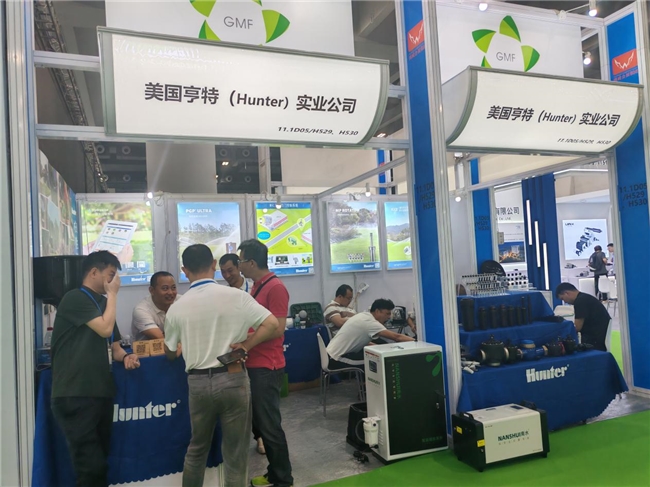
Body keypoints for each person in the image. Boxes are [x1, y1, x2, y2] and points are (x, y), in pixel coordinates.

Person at [163, 244, 280, 487]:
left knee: (197, 449)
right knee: (235, 454)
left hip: (197, 383)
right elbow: (271, 324)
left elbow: (170, 352)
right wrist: (246, 345)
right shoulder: (237, 297)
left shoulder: (176, 308)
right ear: (214, 265)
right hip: (233, 378)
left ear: (184, 270)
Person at [50, 251, 141, 487]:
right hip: (76, 393)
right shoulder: (75, 298)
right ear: (93, 272)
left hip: (100, 392)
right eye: (110, 275)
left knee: (100, 462)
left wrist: (126, 357)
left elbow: (114, 345)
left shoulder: (104, 304)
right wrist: (113, 295)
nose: (114, 281)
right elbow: (104, 328)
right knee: (90, 467)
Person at [238, 239, 293, 487]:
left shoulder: (275, 287)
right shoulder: (257, 286)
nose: (239, 266)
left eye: (240, 261)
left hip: (267, 366)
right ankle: (274, 472)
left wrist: (247, 343)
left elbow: (278, 328)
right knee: (262, 423)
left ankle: (283, 479)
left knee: (270, 425)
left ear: (251, 262)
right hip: (255, 363)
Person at [219, 252, 264, 455]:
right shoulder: (223, 294)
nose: (227, 275)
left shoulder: (254, 288)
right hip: (235, 351)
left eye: (230, 270)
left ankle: (260, 436)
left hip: (256, 348)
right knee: (239, 398)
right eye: (223, 272)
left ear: (239, 267)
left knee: (257, 398)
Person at [326, 298, 415, 371]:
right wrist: (416, 341)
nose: (389, 317)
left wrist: (379, 347)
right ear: (377, 311)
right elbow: (397, 337)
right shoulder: (370, 322)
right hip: (337, 359)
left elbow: (362, 341)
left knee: (376, 356)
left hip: (331, 355)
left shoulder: (363, 315)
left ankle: (365, 386)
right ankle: (368, 387)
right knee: (379, 361)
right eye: (387, 313)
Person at [556, 282, 610, 351]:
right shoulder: (585, 298)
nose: (565, 302)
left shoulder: (580, 302)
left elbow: (577, 327)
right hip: (599, 334)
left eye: (563, 299)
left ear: (567, 293)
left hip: (594, 340)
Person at [131, 271, 180, 341]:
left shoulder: (181, 301)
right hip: (147, 347)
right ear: (152, 291)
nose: (170, 292)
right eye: (165, 288)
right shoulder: (141, 310)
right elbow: (160, 338)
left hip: (177, 345)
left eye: (173, 288)